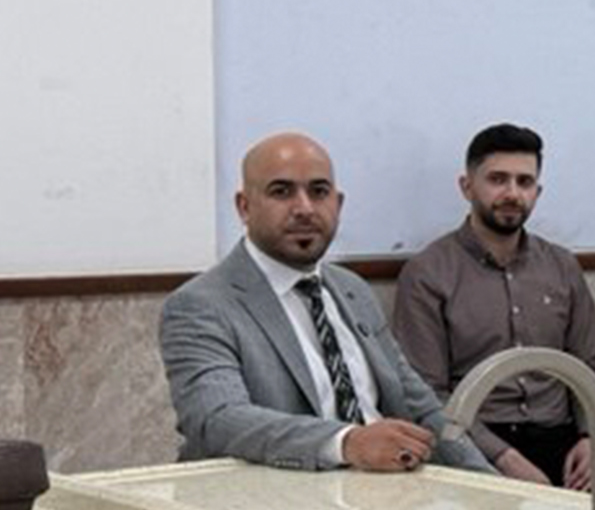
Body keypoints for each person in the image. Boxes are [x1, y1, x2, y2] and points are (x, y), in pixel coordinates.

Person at [160, 133, 487, 474]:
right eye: (281, 192)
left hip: (382, 492)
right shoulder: (201, 305)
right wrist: (346, 443)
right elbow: (217, 419)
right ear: (244, 206)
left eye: (319, 192)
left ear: (338, 203)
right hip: (276, 497)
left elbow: (421, 407)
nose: (304, 208)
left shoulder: (352, 289)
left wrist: (497, 489)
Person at [391, 122, 595, 492]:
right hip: (474, 446)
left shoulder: (562, 266)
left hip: (563, 441)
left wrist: (590, 438)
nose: (512, 193)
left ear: (537, 192)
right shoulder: (427, 273)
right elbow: (424, 392)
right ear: (467, 186)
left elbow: (590, 365)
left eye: (524, 182)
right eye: (497, 179)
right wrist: (503, 458)